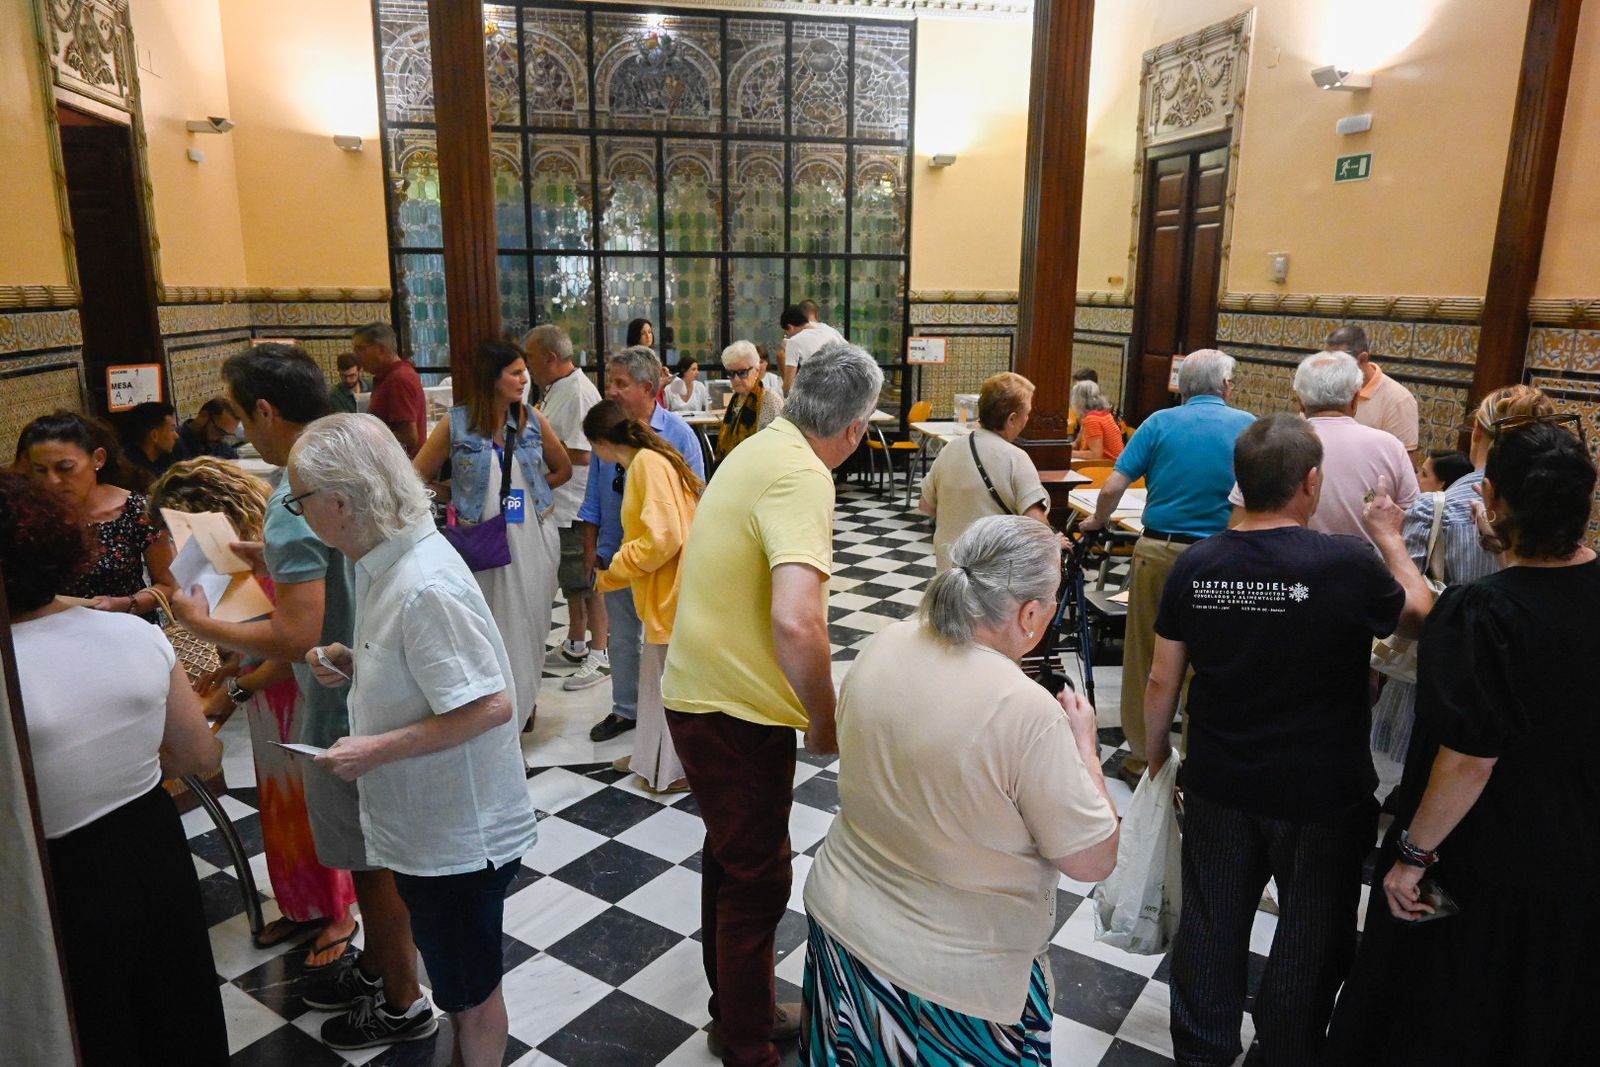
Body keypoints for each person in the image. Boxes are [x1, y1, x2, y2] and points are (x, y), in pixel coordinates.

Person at [1144, 414, 1432, 1067]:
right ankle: (1287, 1049)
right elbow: (1420, 615)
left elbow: (1163, 679)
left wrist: (1160, 758)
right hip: (1322, 788)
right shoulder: (1347, 562)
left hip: (1222, 777)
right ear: (1310, 482)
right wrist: (1390, 538)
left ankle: (1203, 1049)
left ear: (1239, 484)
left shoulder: (1198, 562)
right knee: (1309, 931)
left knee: (1212, 924)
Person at [176, 343, 428, 1050]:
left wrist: (200, 622)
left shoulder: (296, 489)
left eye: (241, 414)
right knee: (378, 851)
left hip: (338, 698)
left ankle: (401, 997)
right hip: (383, 679)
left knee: (369, 859)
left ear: (263, 408)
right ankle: (381, 965)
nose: (244, 432)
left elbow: (297, 632)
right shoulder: (359, 447)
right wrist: (276, 559)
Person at [1325, 418, 1599, 1066]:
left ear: (1496, 500)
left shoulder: (1490, 612)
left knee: (1449, 996)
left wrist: (1414, 853)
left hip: (1485, 846)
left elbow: (1471, 758)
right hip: (1578, 835)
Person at [801, 515, 1119, 1065]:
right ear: (1028, 615)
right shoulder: (1026, 711)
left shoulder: (885, 642)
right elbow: (1092, 859)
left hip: (842, 929)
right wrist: (1086, 749)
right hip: (953, 981)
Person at [662, 342, 884, 1067]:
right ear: (854, 428)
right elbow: (798, 620)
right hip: (731, 708)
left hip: (705, 690)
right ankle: (749, 1044)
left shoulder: (765, 447)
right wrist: (824, 717)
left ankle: (740, 1008)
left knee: (733, 858)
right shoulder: (800, 473)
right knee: (760, 871)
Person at [295, 413, 539, 1067]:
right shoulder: (381, 559)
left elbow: (491, 703)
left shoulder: (422, 582)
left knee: (471, 992)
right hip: (428, 828)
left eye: (300, 500)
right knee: (459, 982)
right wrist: (356, 660)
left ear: (340, 502)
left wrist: (370, 750)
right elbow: (427, 673)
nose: (299, 514)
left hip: (458, 839)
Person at [1, 472, 228, 1066]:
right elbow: (200, 757)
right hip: (151, 843)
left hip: (52, 873)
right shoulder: (132, 635)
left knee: (94, 1026)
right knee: (173, 1010)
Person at [147, 457, 358, 962]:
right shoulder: (233, 558)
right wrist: (231, 666)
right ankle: (301, 901)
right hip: (268, 702)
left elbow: (292, 649)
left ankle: (338, 911)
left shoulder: (277, 554)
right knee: (281, 808)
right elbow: (252, 637)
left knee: (309, 807)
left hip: (293, 696)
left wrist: (236, 688)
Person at [1079, 348, 1254, 785]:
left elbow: (1115, 483)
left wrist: (1098, 521)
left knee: (1145, 653)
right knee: (1210, 657)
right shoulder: (1248, 426)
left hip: (1159, 550)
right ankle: (1198, 755)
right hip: (1221, 556)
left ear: (1182, 386)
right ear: (1227, 386)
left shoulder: (1158, 423)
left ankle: (1143, 755)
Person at [1368, 385, 1553, 797]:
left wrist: (1388, 541)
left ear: (1477, 435)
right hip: (1526, 690)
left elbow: (1410, 614)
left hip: (1438, 689)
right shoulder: (1555, 512)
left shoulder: (1438, 508)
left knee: (1422, 797)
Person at [414, 340, 571, 732]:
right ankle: (501, 714)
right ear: (492, 378)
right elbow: (416, 475)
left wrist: (531, 491)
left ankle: (525, 702)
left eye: (524, 371)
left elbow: (563, 468)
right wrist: (457, 495)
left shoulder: (532, 420)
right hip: (481, 539)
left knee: (532, 624)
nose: (524, 379)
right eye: (515, 372)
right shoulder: (457, 422)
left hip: (532, 535)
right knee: (491, 629)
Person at [583, 345, 705, 741]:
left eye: (621, 384)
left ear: (648, 388)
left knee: (663, 649)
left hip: (659, 567)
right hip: (618, 553)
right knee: (622, 638)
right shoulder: (610, 436)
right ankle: (626, 711)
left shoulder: (677, 436)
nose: (612, 391)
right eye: (610, 383)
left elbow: (694, 503)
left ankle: (665, 732)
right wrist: (597, 552)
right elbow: (595, 499)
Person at [1231, 351, 1419, 545]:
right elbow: (1414, 523)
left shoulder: (1273, 442)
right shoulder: (1391, 447)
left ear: (1300, 401)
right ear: (1355, 401)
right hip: (1366, 572)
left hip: (1283, 569)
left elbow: (1241, 524)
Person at [18, 410, 175, 618]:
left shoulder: (135, 510)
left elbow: (169, 584)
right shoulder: (30, 515)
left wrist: (128, 603)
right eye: (40, 470)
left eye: (65, 468)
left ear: (98, 459)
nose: (52, 481)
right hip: (55, 632)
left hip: (126, 629)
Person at [525, 325, 607, 681]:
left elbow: (582, 452)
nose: (527, 366)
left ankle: (601, 651)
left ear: (549, 358)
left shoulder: (576, 391)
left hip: (575, 503)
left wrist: (538, 451)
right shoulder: (554, 389)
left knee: (588, 582)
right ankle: (576, 643)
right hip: (556, 504)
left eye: (529, 358)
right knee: (571, 579)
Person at [919, 371, 1050, 573]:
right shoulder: (1016, 458)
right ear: (1012, 419)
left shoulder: (950, 449)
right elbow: (1036, 524)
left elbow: (925, 505)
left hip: (949, 574)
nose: (1027, 420)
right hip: (991, 577)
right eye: (1027, 413)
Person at [1325, 324, 1420, 454]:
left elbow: (1404, 462)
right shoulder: (1324, 388)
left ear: (1362, 358)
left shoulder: (1398, 399)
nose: (1331, 369)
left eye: (1339, 362)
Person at [354, 322, 427, 456]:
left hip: (401, 467)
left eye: (360, 349)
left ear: (380, 349)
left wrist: (367, 441)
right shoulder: (389, 376)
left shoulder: (399, 378)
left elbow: (409, 437)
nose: (356, 356)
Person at [717, 340, 784, 460]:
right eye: (731, 373)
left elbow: (780, 443)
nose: (736, 379)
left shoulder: (769, 399)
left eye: (742, 373)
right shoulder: (736, 399)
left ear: (756, 371)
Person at [779, 304, 845, 392]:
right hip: (844, 387)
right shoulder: (829, 330)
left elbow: (788, 387)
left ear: (790, 327)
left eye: (787, 333)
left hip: (820, 393)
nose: (789, 336)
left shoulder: (793, 342)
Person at [119, 400, 182, 482]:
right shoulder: (130, 471)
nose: (176, 436)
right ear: (154, 435)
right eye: (172, 429)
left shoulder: (169, 458)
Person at [1070, 377, 1124, 461]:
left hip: (1106, 467)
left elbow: (1096, 455)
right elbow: (1077, 443)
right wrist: (1062, 449)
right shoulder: (1104, 414)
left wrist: (1069, 453)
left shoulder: (1092, 420)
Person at [175, 397, 242, 461]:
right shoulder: (173, 443)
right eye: (219, 431)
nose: (220, 438)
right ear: (204, 415)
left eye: (225, 434)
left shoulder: (221, 448)